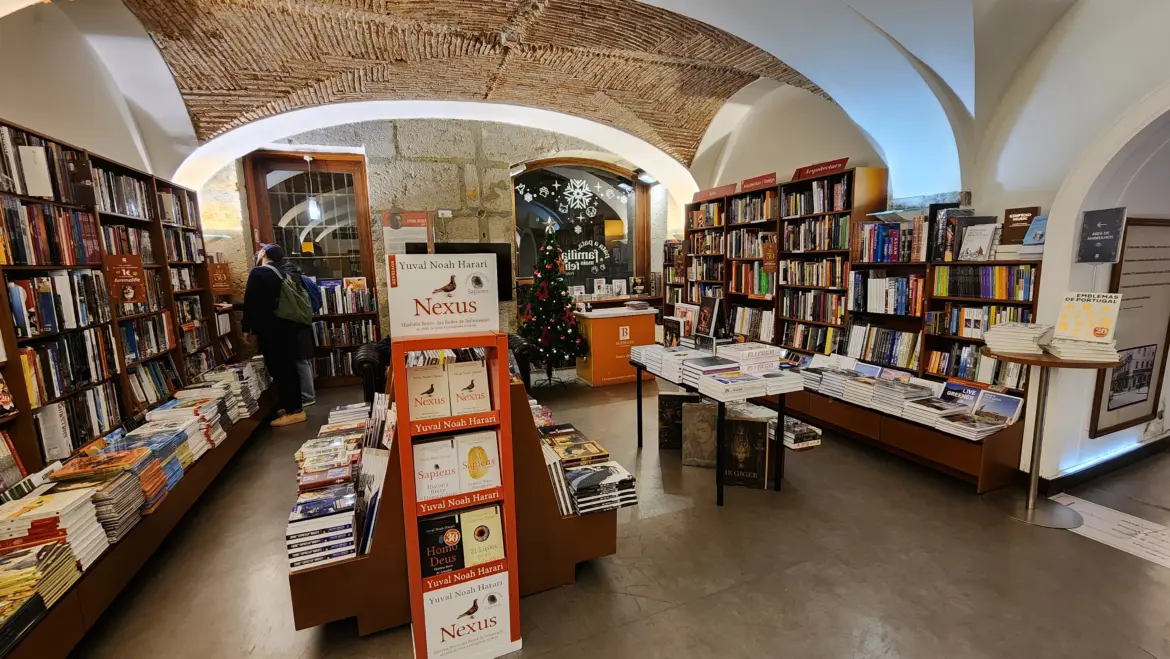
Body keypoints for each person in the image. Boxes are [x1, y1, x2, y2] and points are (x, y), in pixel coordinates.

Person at [232, 243, 309, 427]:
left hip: (271, 331)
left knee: (279, 370)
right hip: (287, 328)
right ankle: (293, 406)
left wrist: (246, 328)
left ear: (264, 253)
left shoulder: (259, 273)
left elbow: (252, 302)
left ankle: (294, 411)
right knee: (289, 368)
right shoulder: (283, 273)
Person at [276, 258, 321, 407]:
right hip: (305, 324)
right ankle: (309, 394)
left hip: (294, 325)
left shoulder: (288, 282)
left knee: (301, 362)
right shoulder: (303, 279)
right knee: (304, 361)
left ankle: (308, 396)